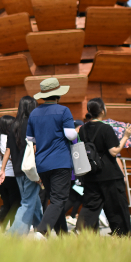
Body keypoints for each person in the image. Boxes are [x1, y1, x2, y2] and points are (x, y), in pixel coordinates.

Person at [26, 78, 78, 238]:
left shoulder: (34, 113)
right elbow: (70, 135)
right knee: (59, 199)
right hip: (60, 161)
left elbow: (30, 138)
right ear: (58, 94)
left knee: (54, 199)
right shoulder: (63, 111)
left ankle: (62, 235)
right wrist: (77, 131)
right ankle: (42, 231)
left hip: (42, 163)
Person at [75, 98, 131, 236]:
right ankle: (121, 234)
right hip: (109, 174)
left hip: (91, 173)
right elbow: (113, 151)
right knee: (116, 206)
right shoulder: (106, 128)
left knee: (91, 204)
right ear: (102, 110)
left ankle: (81, 229)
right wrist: (126, 136)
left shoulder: (82, 129)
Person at [5, 96, 42, 236]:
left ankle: (42, 229)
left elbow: (9, 149)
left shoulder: (13, 125)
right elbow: (36, 147)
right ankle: (14, 234)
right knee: (27, 203)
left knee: (34, 201)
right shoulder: (32, 124)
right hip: (31, 169)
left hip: (18, 170)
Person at [0, 115, 21, 229]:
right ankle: (12, 228)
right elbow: (9, 155)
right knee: (15, 203)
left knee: (7, 204)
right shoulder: (7, 138)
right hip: (10, 175)